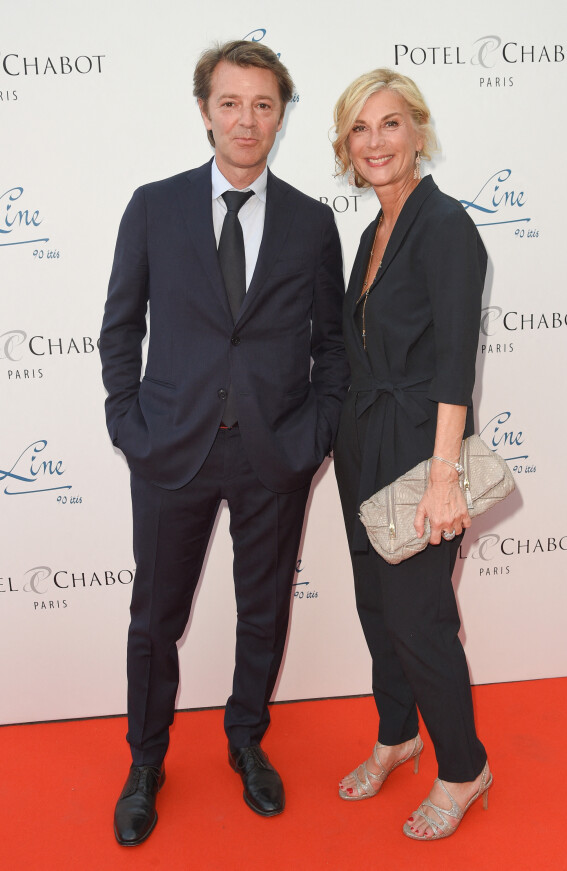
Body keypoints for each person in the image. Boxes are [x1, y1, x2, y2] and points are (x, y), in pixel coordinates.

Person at [99, 39, 347, 846]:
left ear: (282, 116)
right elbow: (119, 328)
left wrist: (312, 436)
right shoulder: (153, 205)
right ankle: (145, 760)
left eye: (264, 105)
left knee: (263, 612)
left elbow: (334, 346)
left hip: (274, 454)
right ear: (205, 109)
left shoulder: (312, 222)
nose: (247, 120)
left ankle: (246, 739)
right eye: (232, 103)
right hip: (170, 450)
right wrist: (129, 425)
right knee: (154, 618)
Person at [331, 68, 492, 841]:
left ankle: (463, 768)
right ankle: (398, 733)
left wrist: (444, 473)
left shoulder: (446, 225)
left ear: (418, 133)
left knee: (417, 616)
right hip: (365, 439)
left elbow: (456, 357)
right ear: (345, 145)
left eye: (389, 124)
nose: (375, 142)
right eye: (360, 129)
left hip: (422, 449)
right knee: (375, 605)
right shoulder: (373, 230)